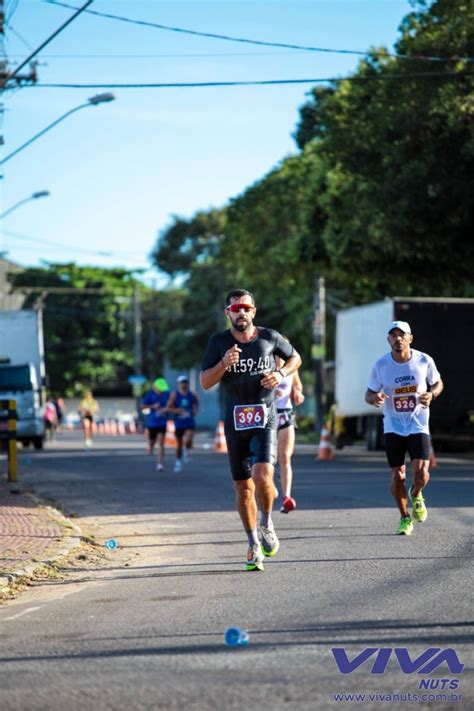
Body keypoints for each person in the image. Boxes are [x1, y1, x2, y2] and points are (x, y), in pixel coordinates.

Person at [200, 288, 301, 571]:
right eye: (235, 308)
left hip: (265, 416)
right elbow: (205, 381)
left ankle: (267, 522)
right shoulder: (218, 342)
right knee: (243, 488)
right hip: (235, 421)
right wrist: (223, 364)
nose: (241, 312)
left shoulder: (269, 337)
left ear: (253, 311)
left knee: (263, 474)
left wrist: (280, 374)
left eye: (245, 307)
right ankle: (253, 543)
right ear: (227, 313)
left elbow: (295, 358)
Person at [364, 320, 443, 536]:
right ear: (388, 339)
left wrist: (432, 394)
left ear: (410, 338)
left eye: (402, 335)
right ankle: (404, 517)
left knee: (421, 473)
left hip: (418, 423)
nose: (398, 339)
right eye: (393, 335)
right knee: (398, 475)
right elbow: (368, 394)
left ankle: (416, 494)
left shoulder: (424, 360)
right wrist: (376, 398)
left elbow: (438, 383)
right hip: (394, 425)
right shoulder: (381, 365)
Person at [274, 354, 305, 514]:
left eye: (282, 354)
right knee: (268, 458)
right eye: (276, 354)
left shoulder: (291, 368)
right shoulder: (265, 367)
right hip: (268, 415)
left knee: (285, 457)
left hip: (286, 414)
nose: (280, 357)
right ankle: (270, 486)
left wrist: (298, 394)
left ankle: (286, 497)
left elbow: (297, 387)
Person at [167, 375, 199, 473]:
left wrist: (195, 410)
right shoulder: (174, 395)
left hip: (189, 421)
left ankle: (187, 449)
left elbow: (197, 403)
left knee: (189, 439)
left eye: (185, 382)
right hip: (179, 423)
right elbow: (169, 408)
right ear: (178, 384)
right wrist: (176, 410)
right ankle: (178, 462)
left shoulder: (192, 394)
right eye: (182, 382)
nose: (184, 384)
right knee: (178, 445)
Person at [140, 377, 170, 471]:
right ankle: (150, 445)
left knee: (161, 443)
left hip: (162, 422)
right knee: (152, 441)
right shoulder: (150, 395)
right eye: (160, 389)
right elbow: (142, 406)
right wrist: (152, 406)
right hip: (152, 423)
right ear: (155, 387)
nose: (162, 391)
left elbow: (172, 404)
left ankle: (160, 464)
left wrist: (167, 408)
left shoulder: (167, 394)